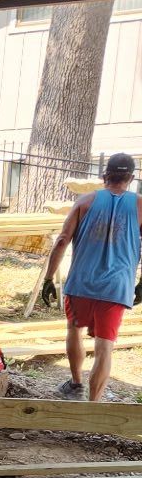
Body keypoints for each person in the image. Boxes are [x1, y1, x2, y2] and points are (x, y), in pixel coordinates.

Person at [39, 152, 142, 401]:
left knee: (74, 330)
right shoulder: (140, 205)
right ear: (131, 178)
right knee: (105, 346)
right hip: (117, 286)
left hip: (81, 283)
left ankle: (76, 384)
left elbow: (62, 240)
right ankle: (93, 405)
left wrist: (48, 278)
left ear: (105, 176)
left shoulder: (85, 201)